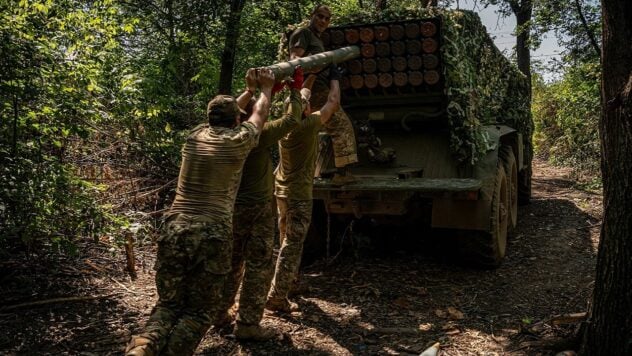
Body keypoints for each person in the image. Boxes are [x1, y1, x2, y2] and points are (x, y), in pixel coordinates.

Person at [124, 67, 276, 356]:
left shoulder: (194, 136)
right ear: (236, 120)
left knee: (168, 305)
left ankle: (142, 349)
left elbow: (232, 112)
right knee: (197, 313)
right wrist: (265, 90)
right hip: (211, 232)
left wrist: (248, 91)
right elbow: (259, 115)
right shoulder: (238, 141)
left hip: (175, 227)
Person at [214, 67, 306, 341]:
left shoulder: (218, 134)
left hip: (230, 207)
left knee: (232, 261)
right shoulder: (258, 135)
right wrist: (295, 88)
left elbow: (234, 110)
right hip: (258, 208)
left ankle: (220, 312)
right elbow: (292, 119)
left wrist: (254, 91)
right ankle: (248, 324)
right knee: (259, 263)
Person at [266, 65, 343, 313]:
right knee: (293, 244)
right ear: (306, 110)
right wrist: (334, 78)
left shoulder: (284, 126)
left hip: (281, 192)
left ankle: (291, 283)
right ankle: (277, 296)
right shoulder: (309, 126)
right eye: (307, 103)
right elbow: (333, 101)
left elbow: (300, 101)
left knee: (284, 238)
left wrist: (306, 77)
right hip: (299, 195)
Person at [288, 4, 358, 170]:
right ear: (311, 15)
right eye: (320, 16)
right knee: (341, 125)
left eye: (327, 19)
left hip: (316, 87)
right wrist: (317, 70)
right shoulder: (302, 33)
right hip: (313, 88)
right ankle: (342, 174)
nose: (323, 21)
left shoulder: (316, 38)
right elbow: (295, 60)